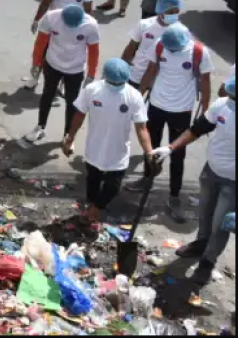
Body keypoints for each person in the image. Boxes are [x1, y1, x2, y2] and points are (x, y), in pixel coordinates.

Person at [132, 24, 214, 221]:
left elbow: (205, 81)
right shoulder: (160, 45)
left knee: (177, 153)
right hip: (156, 104)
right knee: (150, 146)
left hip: (182, 110)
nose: (172, 51)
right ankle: (146, 178)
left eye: (174, 49)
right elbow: (151, 71)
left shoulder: (199, 52)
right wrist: (139, 97)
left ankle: (174, 196)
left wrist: (205, 108)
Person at [159, 76, 235, 285]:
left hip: (233, 183)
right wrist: (171, 147)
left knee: (220, 224)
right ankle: (200, 244)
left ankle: (207, 263)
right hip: (211, 172)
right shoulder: (222, 106)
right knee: (205, 214)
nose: (231, 99)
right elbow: (196, 129)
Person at [63, 59, 154, 223]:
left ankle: (96, 209)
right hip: (94, 150)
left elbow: (142, 128)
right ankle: (91, 209)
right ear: (105, 77)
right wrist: (70, 137)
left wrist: (149, 152)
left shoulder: (133, 96)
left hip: (118, 152)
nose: (115, 84)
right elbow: (79, 115)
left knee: (112, 187)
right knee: (92, 183)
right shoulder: (92, 90)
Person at [23, 4, 101, 147]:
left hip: (75, 69)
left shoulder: (90, 24)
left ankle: (68, 135)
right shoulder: (51, 17)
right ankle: (40, 127)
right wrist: (36, 63)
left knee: (72, 102)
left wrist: (91, 74)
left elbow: (94, 51)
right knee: (47, 95)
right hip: (53, 64)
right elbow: (41, 42)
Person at [121, 0, 188, 90]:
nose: (173, 14)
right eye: (170, 11)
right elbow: (131, 47)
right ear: (160, 10)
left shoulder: (182, 31)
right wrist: (122, 67)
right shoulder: (144, 24)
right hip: (137, 74)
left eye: (176, 11)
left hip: (161, 80)